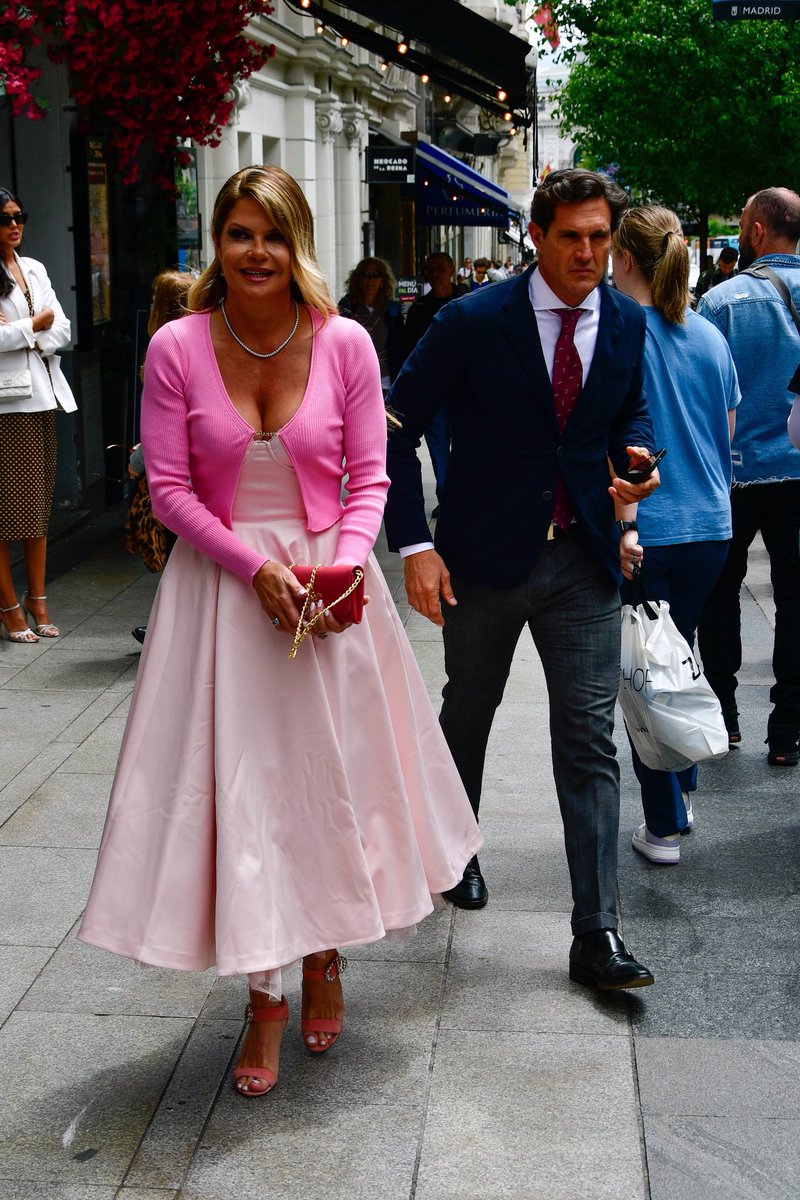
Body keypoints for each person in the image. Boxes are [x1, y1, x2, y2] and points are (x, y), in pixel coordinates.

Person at [78, 166, 481, 1097]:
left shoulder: (345, 344)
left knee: (326, 782)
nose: (254, 252)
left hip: (329, 590)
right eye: (237, 234)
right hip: (222, 593)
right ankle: (263, 996)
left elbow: (373, 478)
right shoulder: (178, 346)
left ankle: (324, 956)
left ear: (298, 243)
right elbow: (170, 491)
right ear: (216, 246)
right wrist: (257, 568)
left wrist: (338, 569)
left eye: (271, 234)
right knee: (241, 794)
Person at [384, 168, 660, 991]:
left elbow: (628, 416)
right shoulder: (472, 320)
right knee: (467, 714)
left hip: (583, 561)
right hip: (481, 559)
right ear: (536, 236)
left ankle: (596, 933)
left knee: (588, 738)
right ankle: (453, 847)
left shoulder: (628, 324)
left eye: (599, 237)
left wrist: (637, 464)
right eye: (571, 235)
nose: (586, 252)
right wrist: (413, 546)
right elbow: (394, 427)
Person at [611, 205, 740, 865]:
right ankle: (681, 792)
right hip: (710, 528)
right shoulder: (710, 335)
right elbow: (726, 435)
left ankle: (664, 823)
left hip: (649, 531)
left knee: (646, 676)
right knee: (675, 658)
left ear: (624, 256)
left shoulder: (617, 330)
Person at [697, 187, 800, 767]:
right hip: (797, 475)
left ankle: (724, 716)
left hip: (733, 476)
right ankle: (787, 730)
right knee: (796, 600)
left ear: (758, 231)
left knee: (720, 595)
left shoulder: (722, 302)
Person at [0, 186, 77, 644]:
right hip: (6, 406)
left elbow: (63, 328)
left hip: (44, 398)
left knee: (36, 511)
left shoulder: (34, 268)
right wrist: (36, 325)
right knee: (7, 511)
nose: (15, 225)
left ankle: (38, 599)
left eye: (19, 216)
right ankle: (10, 606)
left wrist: (22, 333)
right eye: (5, 218)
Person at [128, 269, 193, 645]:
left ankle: (172, 632)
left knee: (178, 559)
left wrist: (138, 462)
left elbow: (162, 432)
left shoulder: (165, 348)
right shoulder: (208, 343)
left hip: (176, 478)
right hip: (198, 474)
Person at [401, 253, 467, 510]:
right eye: (431, 269)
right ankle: (447, 499)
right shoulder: (419, 310)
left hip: (466, 388)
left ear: (451, 269)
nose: (436, 273)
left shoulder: (469, 302)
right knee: (438, 446)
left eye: (441, 268)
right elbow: (410, 350)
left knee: (467, 443)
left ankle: (463, 495)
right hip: (435, 391)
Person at [338, 257, 403, 388]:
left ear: (383, 280)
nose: (370, 280)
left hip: (385, 379)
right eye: (366, 274)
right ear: (359, 279)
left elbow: (400, 348)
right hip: (353, 379)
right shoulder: (347, 307)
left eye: (376, 275)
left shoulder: (392, 310)